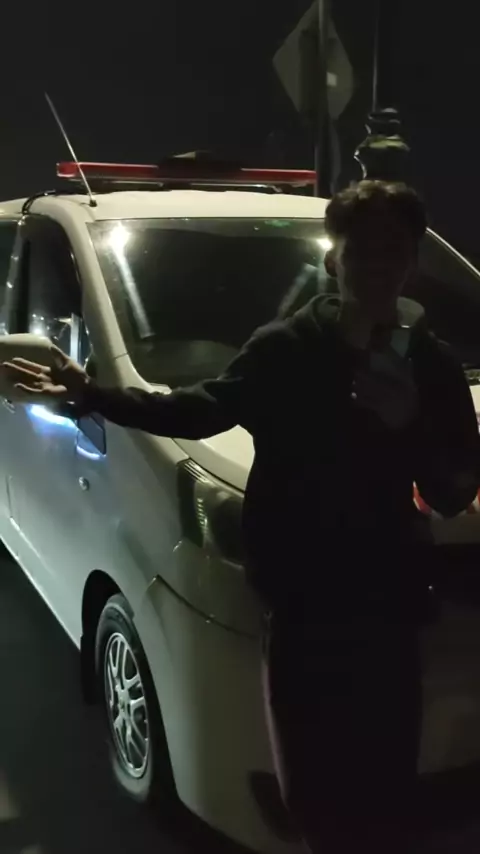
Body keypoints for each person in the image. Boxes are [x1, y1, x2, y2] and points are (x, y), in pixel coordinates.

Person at [2, 181, 479, 852]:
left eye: (394, 251)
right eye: (362, 250)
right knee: (309, 790)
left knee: (385, 786)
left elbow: (453, 491)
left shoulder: (432, 366)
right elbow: (200, 410)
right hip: (302, 612)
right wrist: (93, 396)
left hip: (388, 613)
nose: (378, 266)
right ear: (334, 259)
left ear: (412, 262)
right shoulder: (285, 349)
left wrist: (409, 425)